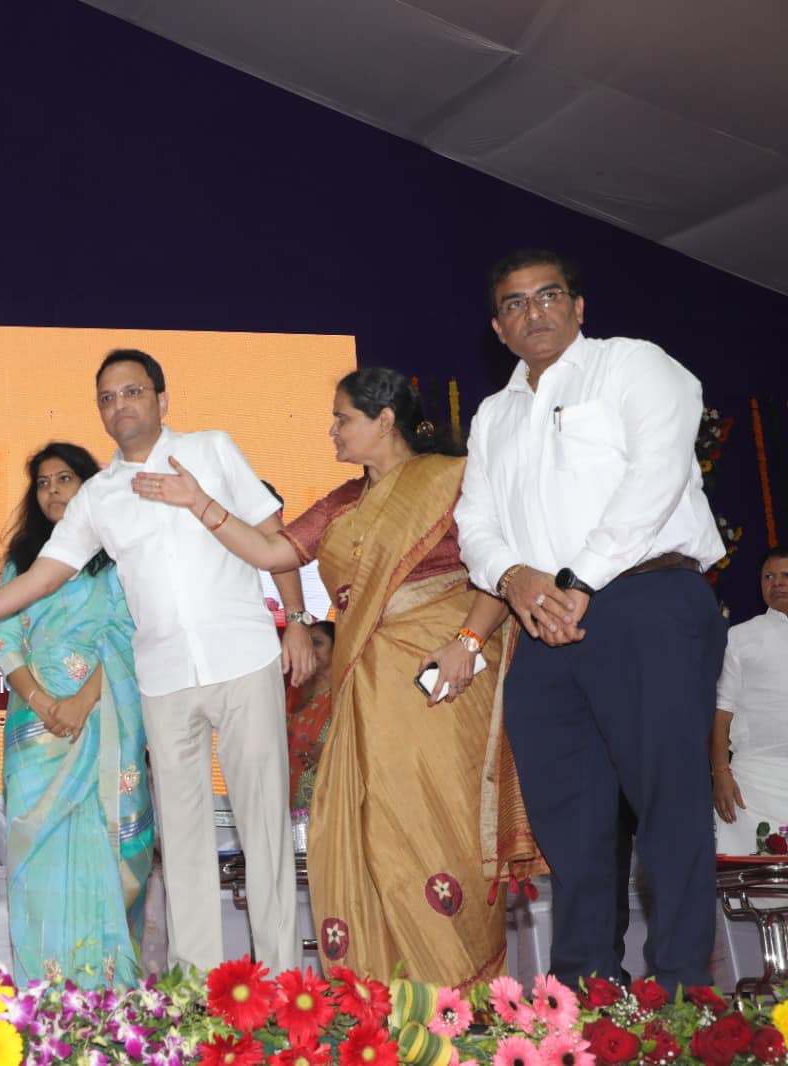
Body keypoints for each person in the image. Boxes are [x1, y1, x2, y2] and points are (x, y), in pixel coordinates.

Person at [0, 349, 316, 974]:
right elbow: (41, 577)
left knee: (264, 831)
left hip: (243, 657)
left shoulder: (211, 449)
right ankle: (196, 987)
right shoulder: (98, 496)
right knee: (183, 840)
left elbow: (273, 532)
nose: (120, 405)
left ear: (162, 400)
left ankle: (278, 982)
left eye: (133, 392)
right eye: (107, 397)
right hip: (163, 679)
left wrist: (298, 620)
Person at [131, 367, 542, 985]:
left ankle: (459, 993)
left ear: (384, 419)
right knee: (370, 828)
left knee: (437, 825)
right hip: (367, 685)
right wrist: (199, 502)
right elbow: (272, 551)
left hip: (444, 680)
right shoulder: (343, 502)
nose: (331, 431)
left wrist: (468, 642)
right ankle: (381, 997)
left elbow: (502, 565)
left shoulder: (453, 478)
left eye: (342, 418)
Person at [454, 249, 725, 992]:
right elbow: (474, 521)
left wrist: (579, 579)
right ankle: (585, 992)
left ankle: (682, 992)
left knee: (668, 803)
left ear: (579, 307)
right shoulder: (494, 414)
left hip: (646, 599)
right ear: (498, 328)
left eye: (548, 296)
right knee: (570, 822)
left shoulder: (634, 365)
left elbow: (656, 476)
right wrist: (515, 578)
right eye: (514, 304)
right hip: (541, 624)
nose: (533, 312)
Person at [0, 441, 154, 986]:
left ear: (90, 489)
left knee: (109, 849)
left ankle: (112, 998)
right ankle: (43, 996)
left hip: (104, 717)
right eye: (43, 482)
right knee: (37, 860)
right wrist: (42, 702)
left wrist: (81, 702)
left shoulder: (119, 562)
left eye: (64, 479)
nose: (52, 490)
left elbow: (129, 636)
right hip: (34, 732)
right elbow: (3, 637)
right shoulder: (22, 564)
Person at [712, 546, 788, 853]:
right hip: (753, 783)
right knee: (747, 877)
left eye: (785, 575)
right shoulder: (740, 637)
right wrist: (720, 773)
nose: (777, 583)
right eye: (769, 576)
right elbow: (721, 712)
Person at [285, 621, 334, 813]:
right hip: (283, 796)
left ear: (337, 649)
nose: (310, 649)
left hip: (323, 803)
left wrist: (333, 752)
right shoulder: (293, 693)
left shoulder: (345, 697)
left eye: (317, 643)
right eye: (306, 642)